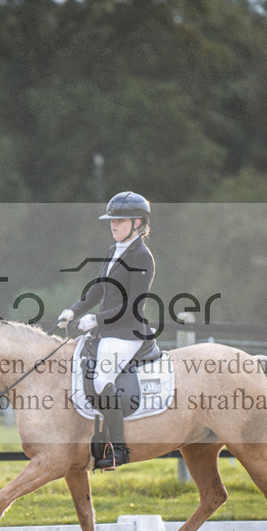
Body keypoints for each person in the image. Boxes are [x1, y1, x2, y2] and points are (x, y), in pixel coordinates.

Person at [58, 191, 155, 469]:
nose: (113, 224)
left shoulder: (142, 257)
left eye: (120, 220)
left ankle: (119, 450)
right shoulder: (114, 250)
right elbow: (98, 290)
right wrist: (73, 311)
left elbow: (133, 305)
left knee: (101, 380)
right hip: (107, 330)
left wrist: (97, 320)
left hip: (128, 333)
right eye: (112, 220)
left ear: (138, 223)